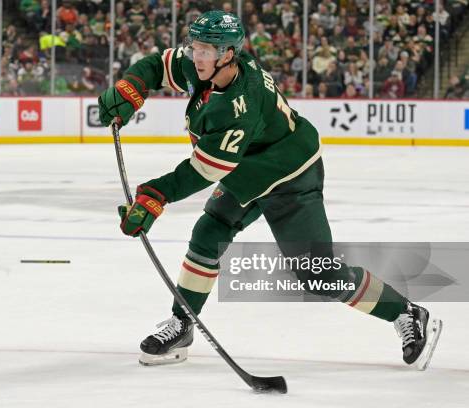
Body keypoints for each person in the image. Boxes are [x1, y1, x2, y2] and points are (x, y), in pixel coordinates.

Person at [97, 11, 442, 369]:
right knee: (209, 231)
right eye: (195, 46)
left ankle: (406, 312)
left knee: (320, 275)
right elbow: (158, 63)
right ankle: (183, 322)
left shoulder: (238, 106)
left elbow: (206, 169)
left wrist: (155, 195)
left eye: (205, 49)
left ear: (228, 54)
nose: (195, 55)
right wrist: (132, 87)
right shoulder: (211, 66)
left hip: (290, 177)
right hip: (248, 171)